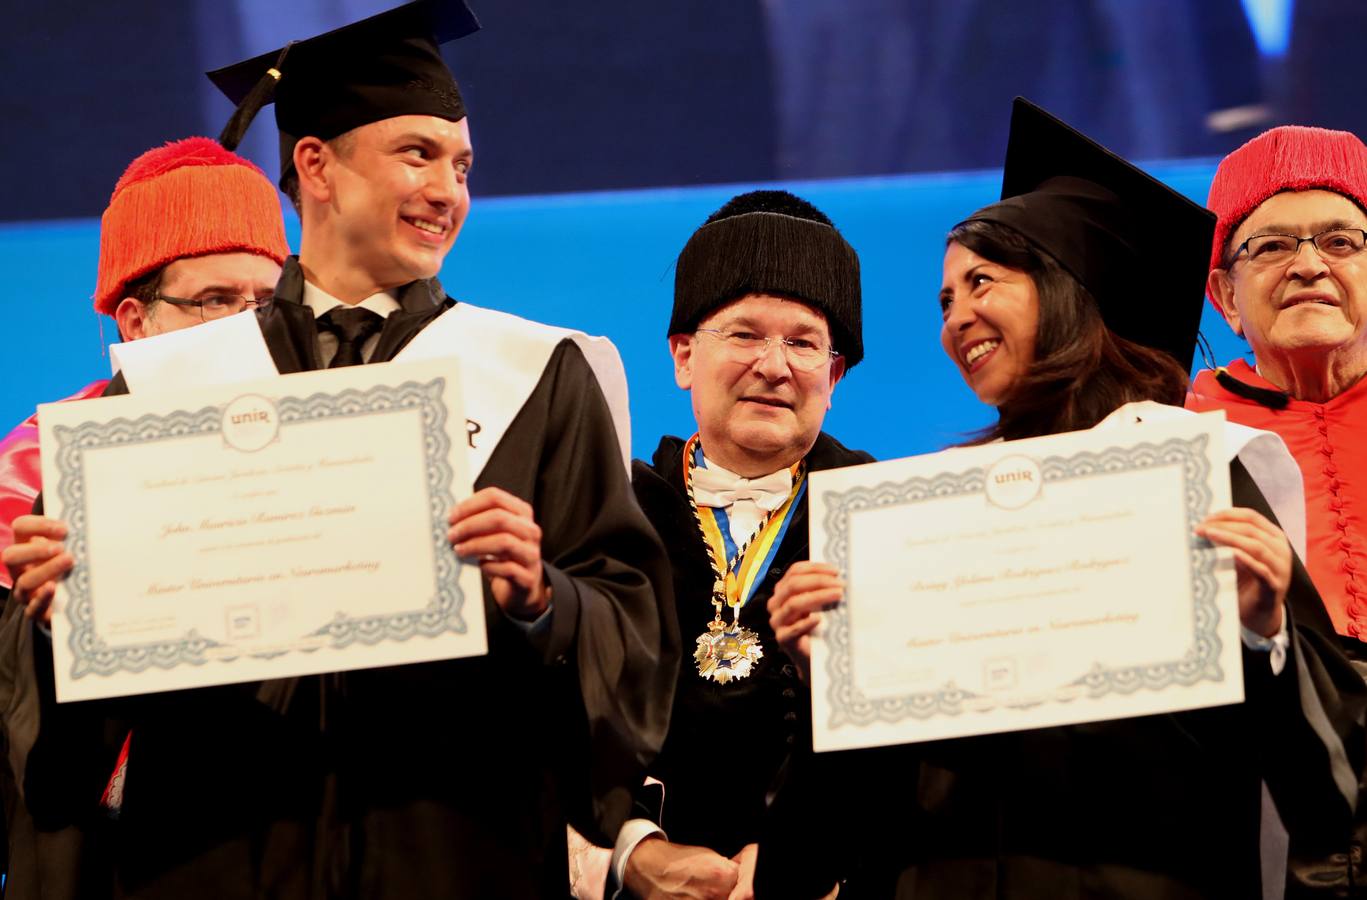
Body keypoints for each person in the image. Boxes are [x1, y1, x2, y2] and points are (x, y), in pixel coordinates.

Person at [5, 2, 679, 897]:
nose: (448, 190)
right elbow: (68, 745)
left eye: (462, 164)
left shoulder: (538, 379)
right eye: (416, 154)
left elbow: (631, 633)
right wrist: (58, 625)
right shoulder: (171, 383)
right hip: (214, 856)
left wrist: (540, 601)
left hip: (452, 855)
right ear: (315, 165)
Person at [758, 98, 1366, 900]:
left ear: (1065, 289)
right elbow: (818, 851)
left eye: (980, 282)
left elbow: (1326, 802)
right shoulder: (919, 518)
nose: (956, 318)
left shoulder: (1189, 468)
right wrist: (830, 680)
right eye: (944, 300)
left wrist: (1264, 637)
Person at [0, 135, 289, 900]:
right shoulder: (34, 469)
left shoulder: (320, 446)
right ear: (134, 320)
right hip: (113, 860)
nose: (250, 326)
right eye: (217, 300)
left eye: (268, 300)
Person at [613, 190, 869, 899]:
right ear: (684, 356)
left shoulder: (886, 513)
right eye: (745, 334)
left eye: (803, 341)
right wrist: (630, 853)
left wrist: (807, 861)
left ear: (833, 375)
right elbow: (548, 720)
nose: (774, 364)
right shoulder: (610, 508)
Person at [1188, 125, 1367, 654]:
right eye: (1271, 247)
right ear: (1228, 297)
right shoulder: (1183, 436)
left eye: (1340, 242)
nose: (1310, 266)